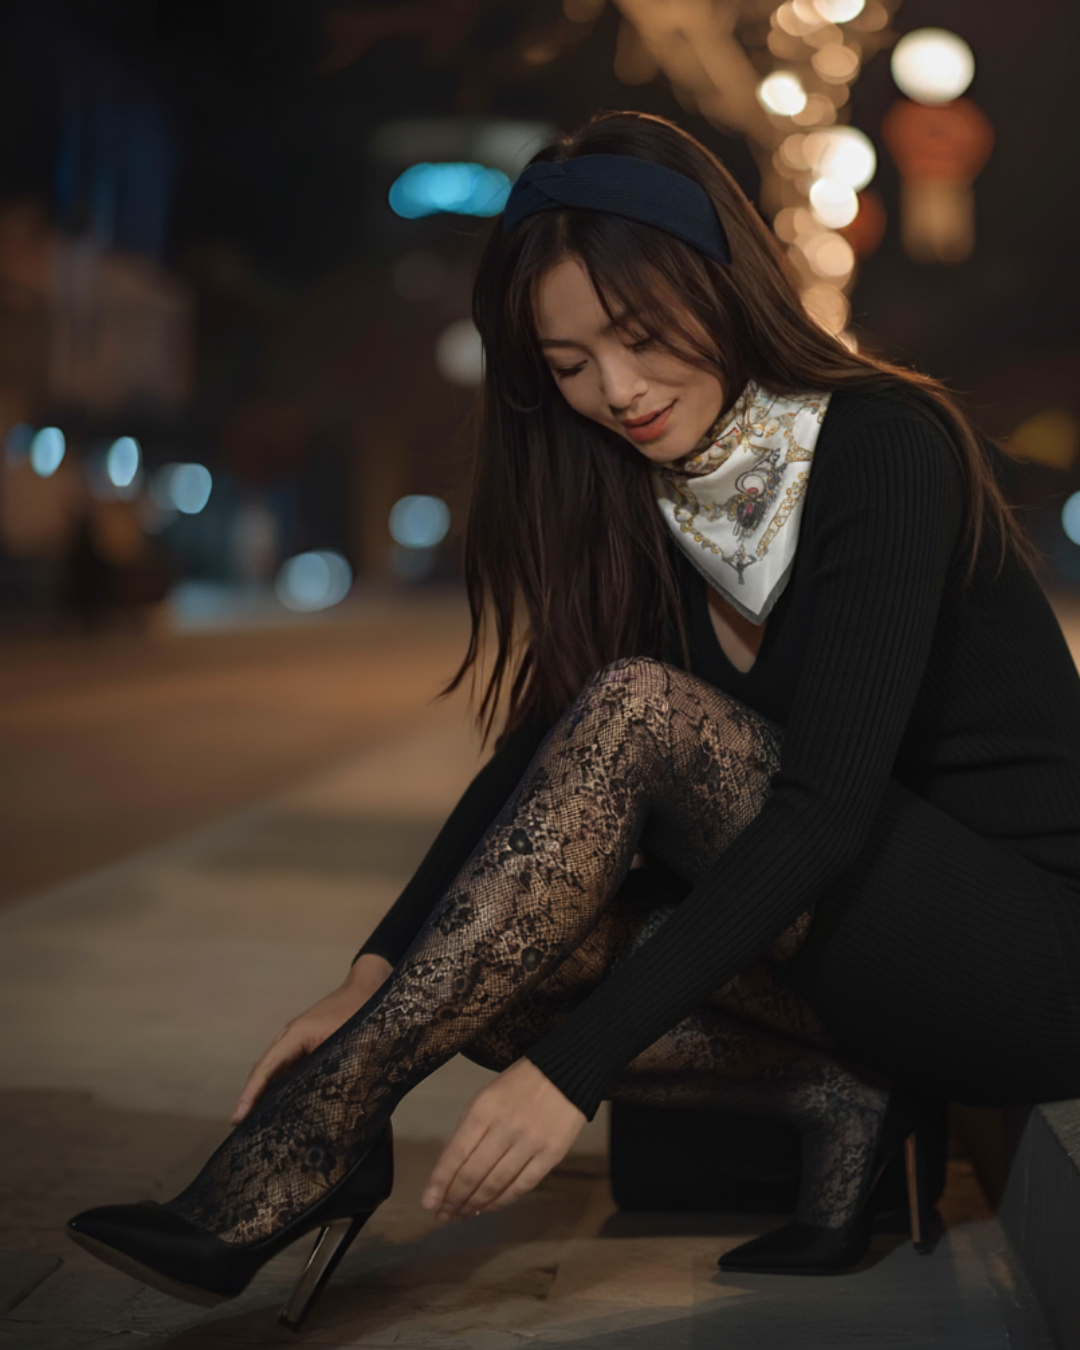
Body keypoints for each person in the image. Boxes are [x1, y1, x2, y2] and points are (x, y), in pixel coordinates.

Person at [68, 110, 1080, 1330]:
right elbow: (534, 756)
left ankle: (312, 1145)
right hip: (864, 964)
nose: (619, 391)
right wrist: (371, 977)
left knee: (640, 715)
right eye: (568, 364)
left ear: (723, 281)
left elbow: (822, 810)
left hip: (1030, 957)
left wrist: (569, 1076)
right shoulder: (656, 500)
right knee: (497, 945)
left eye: (642, 336)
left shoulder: (884, 446)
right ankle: (839, 1095)